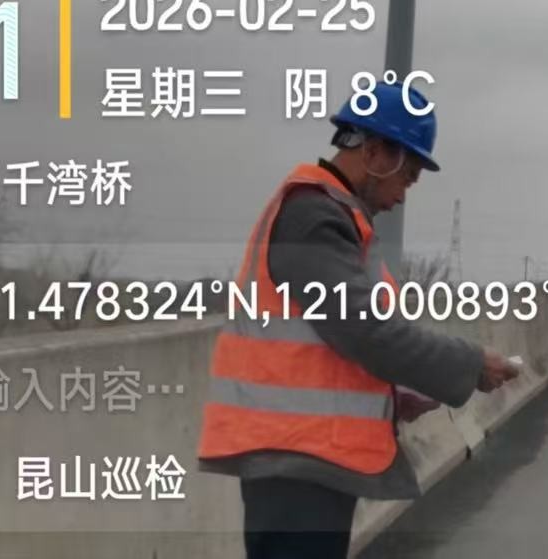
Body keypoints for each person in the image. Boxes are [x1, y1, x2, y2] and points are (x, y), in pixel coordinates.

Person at [197, 80, 520, 558]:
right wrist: (471, 364)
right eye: (406, 177)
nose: (403, 195)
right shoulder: (312, 219)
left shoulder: (338, 222)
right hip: (295, 462)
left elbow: (335, 339)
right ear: (373, 152)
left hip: (307, 458)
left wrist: (393, 393)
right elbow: (368, 332)